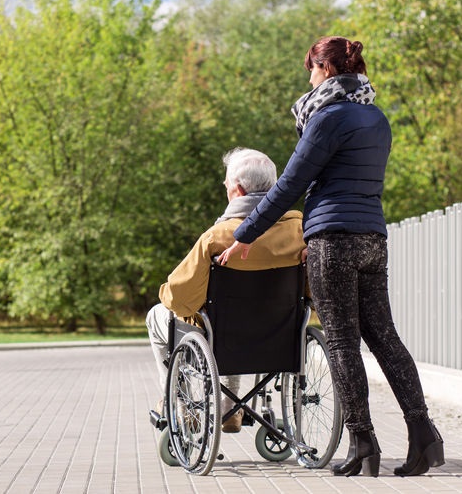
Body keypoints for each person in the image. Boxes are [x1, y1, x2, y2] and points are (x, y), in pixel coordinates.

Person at [218, 36, 444, 476]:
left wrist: (245, 234)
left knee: (342, 341)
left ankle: (363, 443)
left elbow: (289, 185)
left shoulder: (327, 118)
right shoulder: (376, 117)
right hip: (372, 238)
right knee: (386, 339)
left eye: (310, 69)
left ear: (324, 70)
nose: (308, 78)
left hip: (332, 241)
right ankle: (424, 437)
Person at [146, 147, 305, 433]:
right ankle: (230, 409)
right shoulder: (300, 231)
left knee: (159, 315)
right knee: (232, 321)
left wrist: (166, 293)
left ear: (238, 191)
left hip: (224, 337)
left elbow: (180, 297)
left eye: (227, 186)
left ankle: (179, 405)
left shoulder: (218, 237)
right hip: (280, 337)